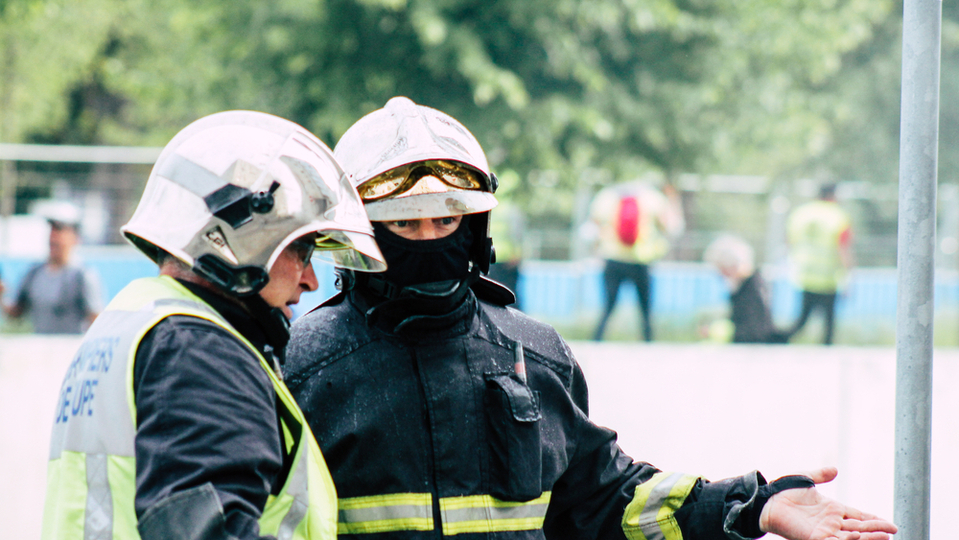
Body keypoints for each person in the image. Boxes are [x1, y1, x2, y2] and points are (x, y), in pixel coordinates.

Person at [284, 97, 896, 540]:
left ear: (475, 227)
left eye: (446, 222)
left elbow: (610, 500)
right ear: (358, 230)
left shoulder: (533, 355)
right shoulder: (297, 367)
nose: (429, 240)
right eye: (406, 224)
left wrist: (752, 506)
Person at [41, 110, 385, 540]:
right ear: (243, 241)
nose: (309, 279)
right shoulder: (200, 354)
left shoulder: (134, 320)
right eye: (300, 250)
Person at [585, 180, 684, 341]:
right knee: (645, 309)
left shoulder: (607, 197)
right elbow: (671, 228)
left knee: (608, 306)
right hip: (642, 260)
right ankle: (648, 343)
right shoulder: (654, 198)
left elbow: (591, 228)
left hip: (613, 258)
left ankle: (596, 341)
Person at [0, 201, 103, 333]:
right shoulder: (34, 273)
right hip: (40, 349)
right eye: (52, 229)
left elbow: (95, 319)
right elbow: (15, 315)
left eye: (60, 230)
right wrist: (2, 297)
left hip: (70, 349)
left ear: (75, 237)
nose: (53, 236)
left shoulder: (82, 275)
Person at [785, 183, 853, 345]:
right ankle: (827, 354)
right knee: (829, 323)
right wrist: (848, 274)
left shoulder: (801, 213)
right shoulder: (838, 216)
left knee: (801, 320)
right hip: (828, 276)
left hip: (805, 273)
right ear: (833, 195)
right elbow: (843, 247)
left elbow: (789, 241)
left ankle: (778, 339)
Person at [703, 234, 789, 344]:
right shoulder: (745, 287)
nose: (721, 275)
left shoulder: (751, 290)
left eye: (722, 269)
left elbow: (753, 330)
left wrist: (715, 332)